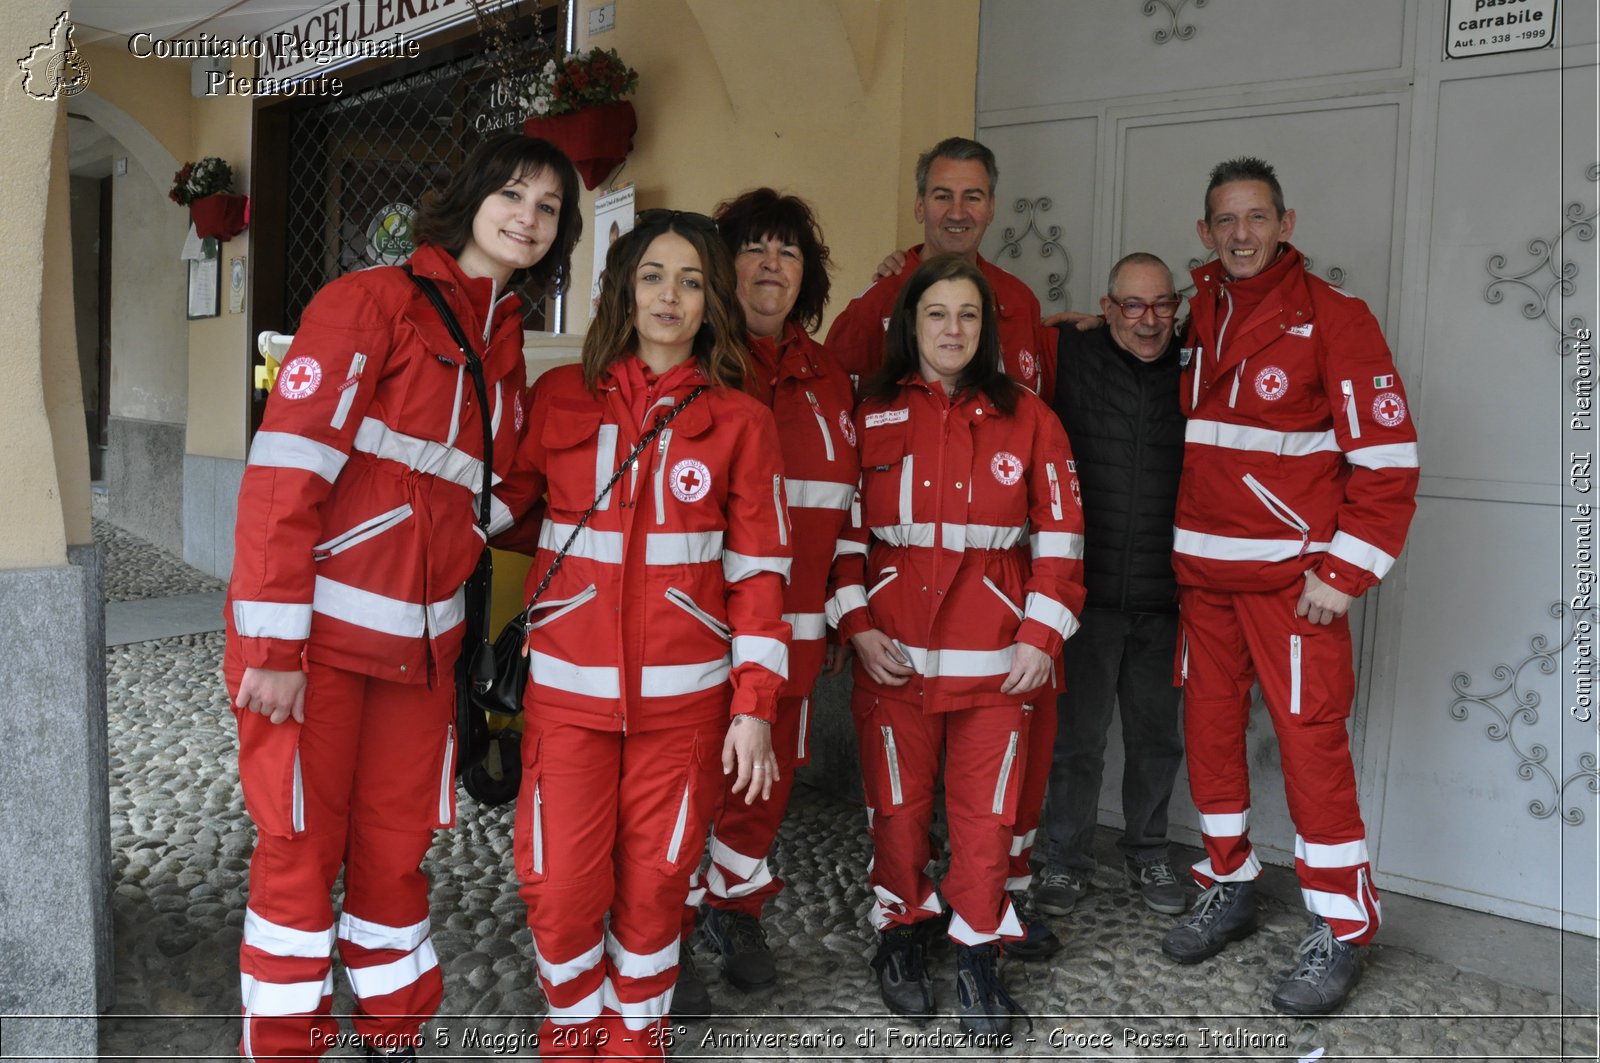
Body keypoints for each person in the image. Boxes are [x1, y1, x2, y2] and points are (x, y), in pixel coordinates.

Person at [224, 133, 582, 1061]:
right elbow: (284, 480)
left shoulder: (506, 356)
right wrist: (270, 649)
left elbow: (482, 501)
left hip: (423, 663)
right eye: (512, 193)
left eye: (548, 207)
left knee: (394, 860)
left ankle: (394, 1036)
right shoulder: (368, 304)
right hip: (319, 654)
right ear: (467, 197)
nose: (527, 217)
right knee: (300, 860)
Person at [495, 210, 792, 1059]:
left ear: (712, 306)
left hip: (683, 711)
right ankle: (572, 1030)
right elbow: (507, 510)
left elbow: (761, 572)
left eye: (693, 280)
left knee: (660, 887)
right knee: (558, 887)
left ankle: (635, 1040)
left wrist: (754, 705)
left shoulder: (740, 421)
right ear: (623, 288)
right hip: (567, 702)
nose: (672, 295)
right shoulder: (558, 399)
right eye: (655, 275)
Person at [1161, 157, 1419, 1016]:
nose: (1241, 233)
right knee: (1210, 738)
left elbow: (1388, 461)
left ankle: (1342, 927)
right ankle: (1228, 880)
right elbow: (1133, 339)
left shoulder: (1337, 319)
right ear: (1206, 232)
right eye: (1225, 220)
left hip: (1292, 588)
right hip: (1204, 581)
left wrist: (1343, 573)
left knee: (1313, 750)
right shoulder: (1196, 308)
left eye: (1256, 217)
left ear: (1285, 222)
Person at [828, 254, 1085, 1035]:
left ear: (988, 328)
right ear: (911, 324)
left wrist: (1042, 637)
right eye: (936, 313)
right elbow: (844, 535)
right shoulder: (866, 410)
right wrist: (858, 625)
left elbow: (1063, 536)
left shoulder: (1032, 416)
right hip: (892, 663)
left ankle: (979, 952)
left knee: (986, 820)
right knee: (898, 814)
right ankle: (902, 937)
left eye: (968, 315)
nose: (952, 329)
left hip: (998, 667)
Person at [671, 189, 858, 1010]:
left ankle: (733, 907)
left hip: (794, 641)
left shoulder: (831, 381)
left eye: (787, 249)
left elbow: (853, 510)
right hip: (695, 640)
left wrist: (849, 608)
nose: (772, 263)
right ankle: (660, 931)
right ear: (723, 267)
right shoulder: (695, 368)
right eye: (753, 247)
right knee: (684, 787)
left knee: (761, 788)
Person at [1033, 253, 1189, 919]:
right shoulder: (1072, 353)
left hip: (1167, 596)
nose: (1148, 320)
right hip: (1086, 596)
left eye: (1161, 305)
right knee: (1077, 740)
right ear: (1106, 305)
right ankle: (1062, 858)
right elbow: (1000, 336)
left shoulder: (1197, 364)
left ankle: (1148, 848)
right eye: (1132, 305)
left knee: (1157, 738)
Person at [825, 136, 1054, 399]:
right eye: (943, 196)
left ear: (991, 209)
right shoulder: (873, 306)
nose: (957, 213)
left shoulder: (1020, 300)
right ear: (920, 206)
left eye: (973, 197)